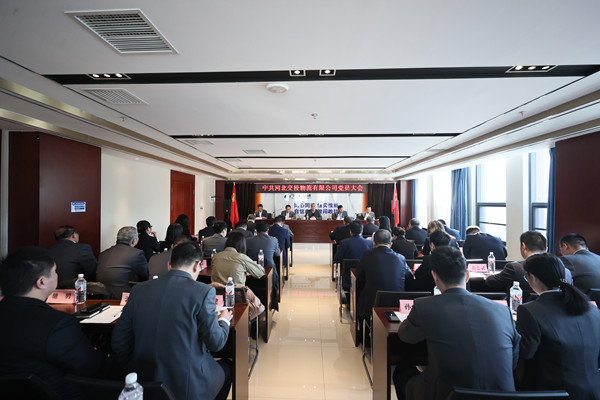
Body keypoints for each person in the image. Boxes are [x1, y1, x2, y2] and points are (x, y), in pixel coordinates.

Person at [393, 246, 520, 400]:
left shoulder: (424, 306)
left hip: (449, 395)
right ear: (467, 275)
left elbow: (405, 336)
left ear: (435, 276)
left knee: (402, 372)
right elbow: (513, 359)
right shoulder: (503, 311)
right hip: (502, 395)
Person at [112, 241, 233, 400]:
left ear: (169, 265)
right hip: (188, 385)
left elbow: (119, 341)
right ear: (197, 265)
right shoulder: (203, 292)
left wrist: (134, 369)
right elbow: (216, 343)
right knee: (228, 367)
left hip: (144, 383)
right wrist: (224, 320)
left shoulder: (138, 290)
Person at [0, 247, 104, 399]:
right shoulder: (58, 324)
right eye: (55, 271)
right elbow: (89, 367)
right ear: (41, 282)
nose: (57, 275)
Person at [516, 253, 600, 398]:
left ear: (533, 277)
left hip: (553, 392)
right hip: (593, 389)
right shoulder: (591, 308)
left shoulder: (529, 311)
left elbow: (525, 353)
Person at [485, 231, 572, 300]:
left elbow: (491, 282)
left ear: (523, 246)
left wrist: (489, 276)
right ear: (546, 249)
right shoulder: (566, 272)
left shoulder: (515, 268)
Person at [356, 230, 413, 319]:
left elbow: (359, 276)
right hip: (397, 303)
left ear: (373, 242)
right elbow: (409, 277)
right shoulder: (401, 258)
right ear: (390, 244)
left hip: (372, 302)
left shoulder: (367, 255)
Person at [97, 226, 148, 299]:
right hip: (124, 296)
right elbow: (146, 273)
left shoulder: (103, 253)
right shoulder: (136, 253)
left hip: (102, 295)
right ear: (134, 241)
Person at [246, 221, 281, 309]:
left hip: (251, 271)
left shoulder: (248, 240)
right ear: (267, 230)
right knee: (275, 276)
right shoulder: (273, 240)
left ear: (256, 231)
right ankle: (273, 304)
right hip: (269, 270)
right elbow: (277, 254)